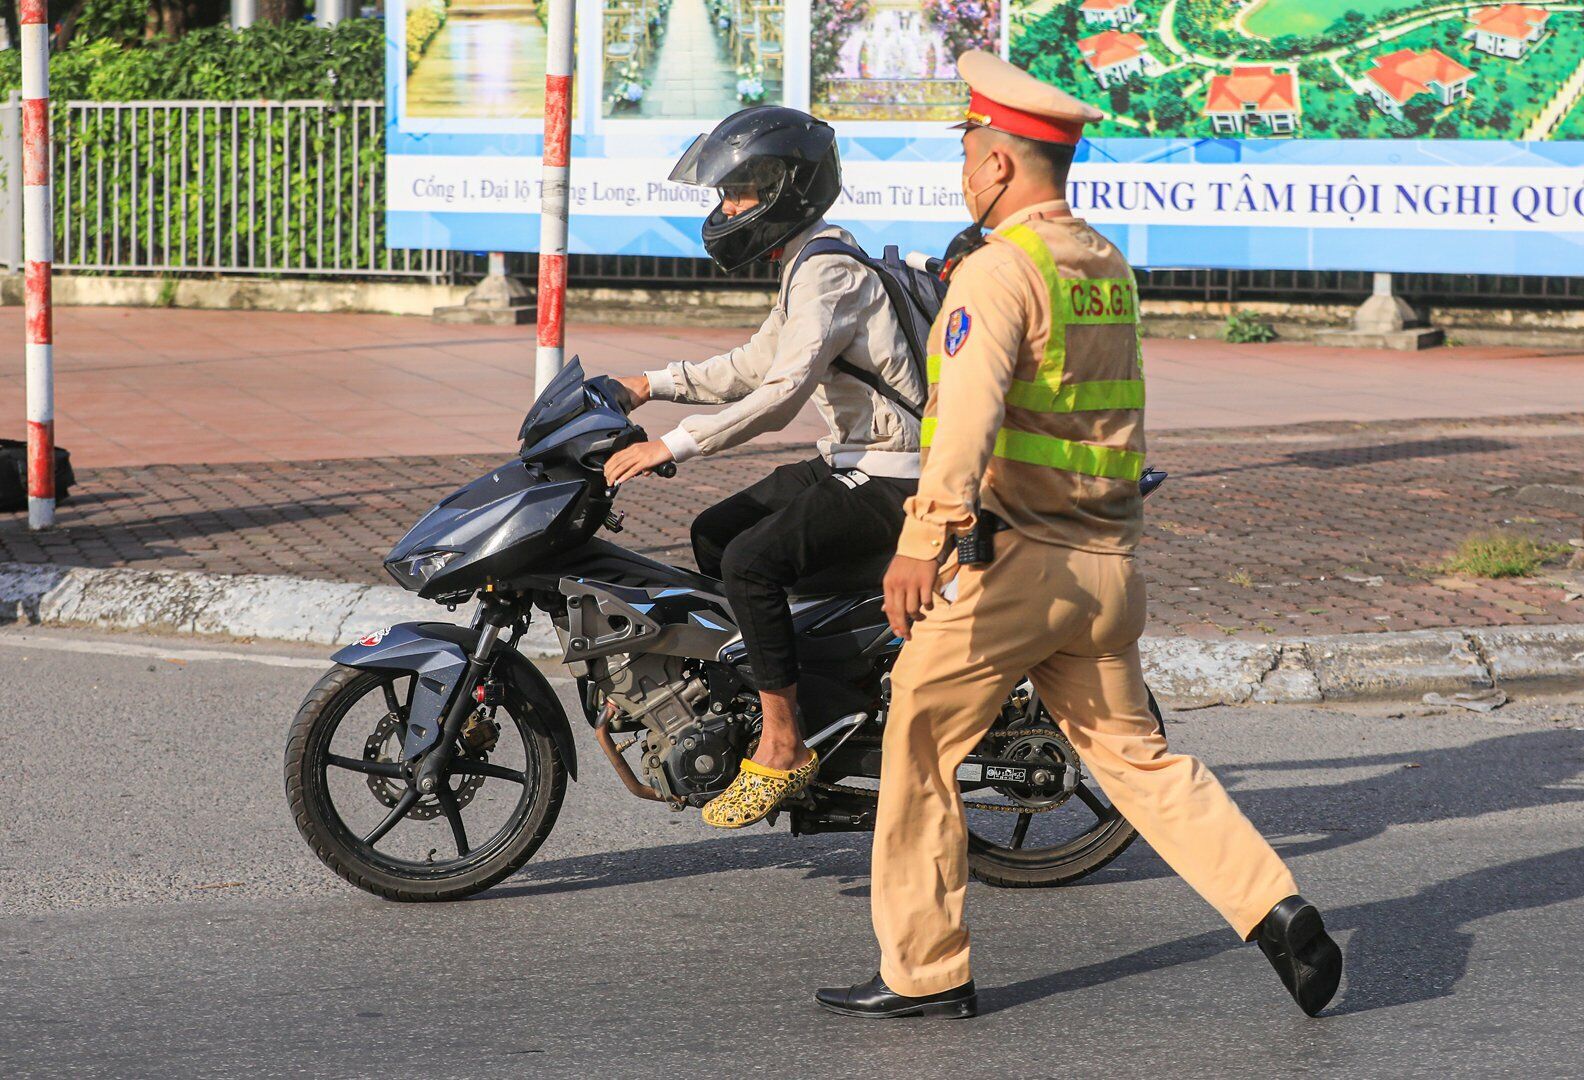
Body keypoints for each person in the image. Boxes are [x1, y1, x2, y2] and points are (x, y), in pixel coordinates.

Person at [815, 51, 1343, 1020]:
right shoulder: (1104, 266)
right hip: (1107, 565)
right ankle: (1277, 909)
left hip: (1016, 566)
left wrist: (919, 540)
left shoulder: (997, 271)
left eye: (971, 149)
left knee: (920, 742)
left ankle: (925, 971)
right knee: (1137, 758)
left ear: (1002, 165)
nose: (964, 168)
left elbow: (968, 418)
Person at [604, 106, 927, 829]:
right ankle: (816, 695)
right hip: (855, 457)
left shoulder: (831, 274)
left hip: (897, 471)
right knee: (719, 533)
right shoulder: (811, 263)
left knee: (751, 563)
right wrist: (647, 385)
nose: (727, 209)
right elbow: (753, 365)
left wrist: (674, 444)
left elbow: (782, 394)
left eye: (740, 193)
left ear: (789, 188)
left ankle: (784, 745)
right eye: (727, 193)